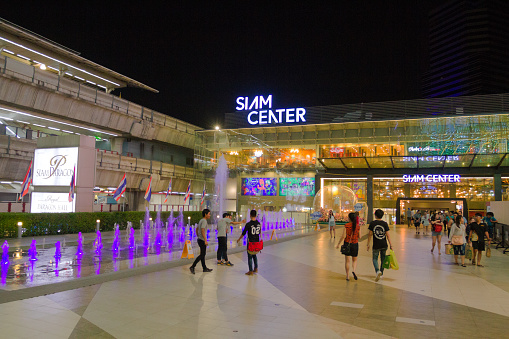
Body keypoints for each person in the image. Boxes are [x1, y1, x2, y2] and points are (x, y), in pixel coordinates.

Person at [367, 209, 393, 282]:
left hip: (376, 244)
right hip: (384, 244)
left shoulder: (372, 223)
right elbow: (388, 235)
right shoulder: (385, 224)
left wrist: (368, 244)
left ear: (375, 215)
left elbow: (370, 234)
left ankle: (377, 271)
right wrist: (391, 244)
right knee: (383, 259)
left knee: (375, 258)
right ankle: (381, 274)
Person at [336, 212, 360, 281]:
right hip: (355, 243)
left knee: (347, 261)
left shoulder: (346, 225)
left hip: (347, 243)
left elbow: (343, 236)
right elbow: (360, 236)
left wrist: (338, 244)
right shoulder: (358, 226)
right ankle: (354, 271)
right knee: (354, 260)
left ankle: (347, 276)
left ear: (349, 218)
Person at [237, 209, 261, 275]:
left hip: (250, 242)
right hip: (256, 242)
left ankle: (250, 271)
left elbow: (243, 233)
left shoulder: (248, 224)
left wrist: (239, 239)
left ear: (250, 215)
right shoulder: (258, 223)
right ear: (256, 215)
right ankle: (256, 268)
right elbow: (260, 232)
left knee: (250, 256)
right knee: (254, 255)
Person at [189, 209, 213, 274]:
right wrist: (205, 240)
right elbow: (202, 230)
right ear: (205, 214)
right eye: (209, 214)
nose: (209, 215)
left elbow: (197, 229)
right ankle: (192, 266)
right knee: (202, 254)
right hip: (202, 240)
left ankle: (204, 268)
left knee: (203, 254)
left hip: (200, 239)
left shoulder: (201, 220)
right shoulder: (204, 221)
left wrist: (198, 236)